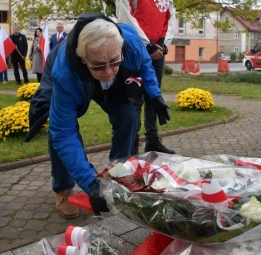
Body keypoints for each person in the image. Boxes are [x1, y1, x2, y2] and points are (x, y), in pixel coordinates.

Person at [24, 12, 171, 219]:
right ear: (83, 58)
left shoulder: (130, 42)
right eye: (99, 65)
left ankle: (116, 175)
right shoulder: (64, 72)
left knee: (129, 117)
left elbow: (145, 64)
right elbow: (63, 134)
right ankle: (63, 187)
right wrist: (90, 183)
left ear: (120, 48)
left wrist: (155, 95)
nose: (109, 71)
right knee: (58, 127)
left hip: (109, 87)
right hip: (72, 77)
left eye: (115, 61)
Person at [116, 0, 176, 155]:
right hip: (135, 52)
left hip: (157, 52)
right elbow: (125, 17)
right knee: (135, 99)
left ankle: (152, 139)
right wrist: (146, 45)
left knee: (154, 96)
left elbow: (170, 18)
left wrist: (162, 44)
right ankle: (132, 143)